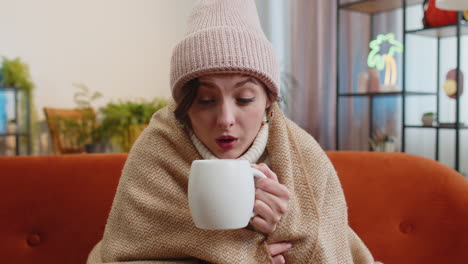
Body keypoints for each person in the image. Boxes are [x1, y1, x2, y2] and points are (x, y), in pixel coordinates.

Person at [88, 0, 381, 263]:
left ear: (268, 102)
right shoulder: (156, 149)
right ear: (184, 106)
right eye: (205, 101)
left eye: (244, 99)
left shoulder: (303, 157)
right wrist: (246, 256)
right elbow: (124, 252)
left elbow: (332, 252)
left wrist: (286, 222)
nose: (226, 119)